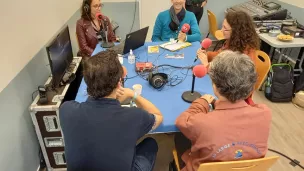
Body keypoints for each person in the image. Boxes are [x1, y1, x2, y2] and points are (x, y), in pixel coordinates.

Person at [60, 50, 163, 171]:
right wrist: (132, 94)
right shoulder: (135, 117)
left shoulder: (66, 110)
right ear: (119, 83)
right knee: (151, 143)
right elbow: (158, 116)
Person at [175, 51, 271, 171]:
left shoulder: (202, 123)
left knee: (179, 137)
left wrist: (202, 101)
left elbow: (182, 121)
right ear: (250, 86)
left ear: (215, 86)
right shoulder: (265, 112)